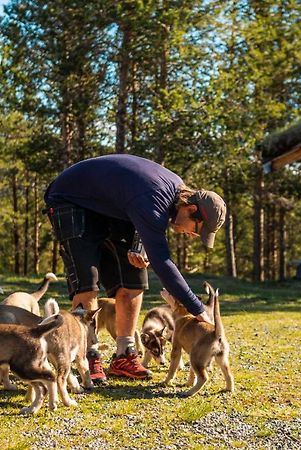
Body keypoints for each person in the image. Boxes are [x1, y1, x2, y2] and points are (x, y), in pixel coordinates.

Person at [44, 154, 226, 382]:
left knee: (134, 276)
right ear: (190, 209)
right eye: (197, 229)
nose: (192, 235)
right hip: (70, 199)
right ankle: (88, 356)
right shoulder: (156, 200)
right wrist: (198, 309)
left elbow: (133, 202)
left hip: (110, 206)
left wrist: (141, 247)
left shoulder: (169, 197)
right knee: (87, 281)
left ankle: (124, 355)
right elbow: (163, 262)